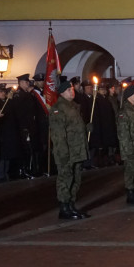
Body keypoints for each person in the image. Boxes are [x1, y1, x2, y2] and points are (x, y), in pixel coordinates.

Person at [49, 77, 91, 218]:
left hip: (77, 149)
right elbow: (58, 134)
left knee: (76, 178)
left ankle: (71, 204)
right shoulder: (58, 109)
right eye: (68, 90)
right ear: (62, 93)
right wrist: (63, 152)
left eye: (72, 89)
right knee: (65, 178)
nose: (71, 91)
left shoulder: (73, 106)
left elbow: (75, 127)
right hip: (66, 151)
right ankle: (64, 207)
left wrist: (86, 128)